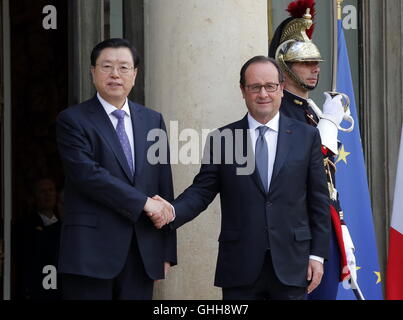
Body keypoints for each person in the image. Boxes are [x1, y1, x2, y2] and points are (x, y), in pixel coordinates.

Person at [150, 56, 330, 300]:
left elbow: (318, 202)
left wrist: (317, 255)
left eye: (270, 86)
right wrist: (171, 210)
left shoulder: (306, 136)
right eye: (254, 87)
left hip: (293, 263)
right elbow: (202, 191)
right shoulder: (223, 139)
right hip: (240, 265)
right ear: (243, 91)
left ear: (281, 88)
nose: (263, 94)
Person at [56, 38, 176, 300]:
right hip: (90, 254)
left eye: (123, 67)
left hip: (142, 252)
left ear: (135, 74)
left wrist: (166, 251)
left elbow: (163, 184)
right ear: (92, 72)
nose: (115, 74)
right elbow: (87, 175)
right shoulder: (72, 120)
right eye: (106, 66)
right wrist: (144, 202)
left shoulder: (152, 119)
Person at [268, 0, 356, 300]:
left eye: (315, 62)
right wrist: (330, 122)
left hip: (324, 223)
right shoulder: (282, 114)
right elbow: (313, 163)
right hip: (299, 232)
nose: (315, 69)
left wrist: (340, 229)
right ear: (284, 67)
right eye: (305, 63)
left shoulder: (310, 110)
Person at [14, 178, 62, 300]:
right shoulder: (24, 226)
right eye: (42, 191)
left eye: (51, 190)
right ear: (34, 198)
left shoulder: (65, 227)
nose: (47, 194)